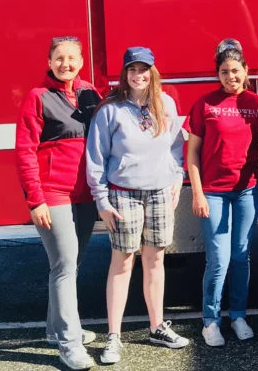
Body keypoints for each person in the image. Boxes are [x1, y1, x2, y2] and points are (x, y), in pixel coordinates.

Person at [86, 46, 190, 365]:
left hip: (159, 191)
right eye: (132, 69)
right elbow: (96, 158)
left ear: (152, 71)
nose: (138, 75)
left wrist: (176, 179)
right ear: (125, 73)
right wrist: (101, 200)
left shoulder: (166, 104)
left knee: (155, 259)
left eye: (144, 69)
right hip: (123, 193)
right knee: (124, 261)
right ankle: (113, 337)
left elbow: (176, 147)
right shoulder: (111, 110)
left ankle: (157, 326)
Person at [15, 36, 102, 370]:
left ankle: (55, 330)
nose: (66, 64)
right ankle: (69, 344)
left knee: (70, 264)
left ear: (81, 60)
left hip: (85, 195)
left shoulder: (91, 94)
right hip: (53, 194)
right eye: (59, 58)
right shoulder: (37, 98)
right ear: (49, 62)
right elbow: (24, 152)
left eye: (72, 58)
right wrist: (35, 200)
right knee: (65, 264)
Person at [186, 39, 258, 347]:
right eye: (224, 72)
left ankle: (237, 315)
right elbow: (192, 152)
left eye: (236, 71)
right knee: (219, 259)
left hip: (247, 190)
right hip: (213, 192)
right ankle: (210, 321)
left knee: (241, 255)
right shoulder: (205, 104)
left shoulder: (256, 103)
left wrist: (255, 153)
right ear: (217, 74)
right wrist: (196, 193)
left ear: (245, 71)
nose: (231, 77)